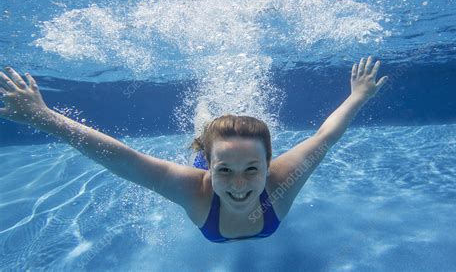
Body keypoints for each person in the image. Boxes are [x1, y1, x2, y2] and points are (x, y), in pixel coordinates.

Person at [0, 56, 388, 243]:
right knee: (203, 132)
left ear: (271, 164)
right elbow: (122, 159)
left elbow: (324, 136)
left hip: (227, 156)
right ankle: (204, 126)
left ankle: (211, 126)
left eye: (253, 169)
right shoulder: (193, 187)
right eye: (225, 171)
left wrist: (358, 95)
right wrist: (44, 117)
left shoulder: (283, 178)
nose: (239, 185)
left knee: (220, 139)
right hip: (206, 153)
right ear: (210, 170)